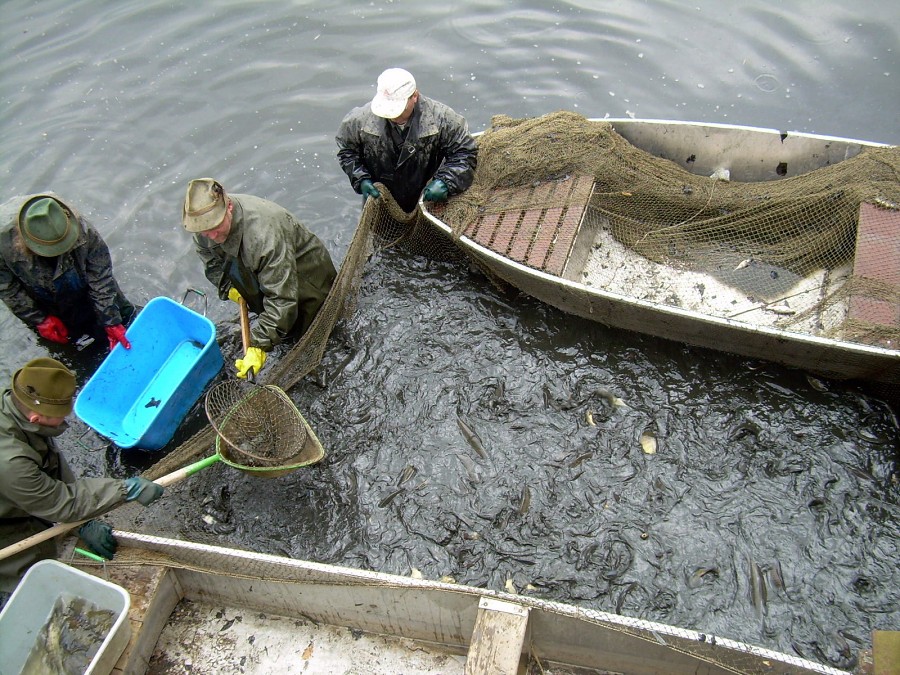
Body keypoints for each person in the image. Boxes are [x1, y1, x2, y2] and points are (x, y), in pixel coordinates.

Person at [0, 358, 163, 601]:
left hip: (18, 489)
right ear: (36, 417)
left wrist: (82, 521)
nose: (66, 420)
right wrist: (125, 490)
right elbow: (59, 501)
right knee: (30, 580)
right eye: (60, 415)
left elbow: (51, 465)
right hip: (6, 530)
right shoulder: (12, 463)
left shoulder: (17, 408)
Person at [182, 178, 337, 379]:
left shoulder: (264, 235)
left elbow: (282, 298)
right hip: (262, 272)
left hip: (305, 278)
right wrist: (228, 288)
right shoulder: (203, 229)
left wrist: (259, 343)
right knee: (280, 325)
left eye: (215, 226)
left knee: (314, 333)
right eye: (204, 230)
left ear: (228, 207)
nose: (210, 235)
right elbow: (212, 264)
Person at [0, 193, 136, 352]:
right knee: (66, 345)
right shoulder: (3, 243)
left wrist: (111, 320)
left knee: (123, 319)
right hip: (42, 296)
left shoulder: (82, 229)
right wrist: (39, 319)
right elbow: (6, 287)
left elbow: (100, 278)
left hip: (80, 281)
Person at [336, 67, 478, 212]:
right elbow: (347, 151)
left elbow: (465, 153)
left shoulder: (444, 120)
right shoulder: (359, 121)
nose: (393, 116)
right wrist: (360, 179)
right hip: (379, 200)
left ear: (414, 96)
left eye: (398, 109)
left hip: (428, 200)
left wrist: (446, 182)